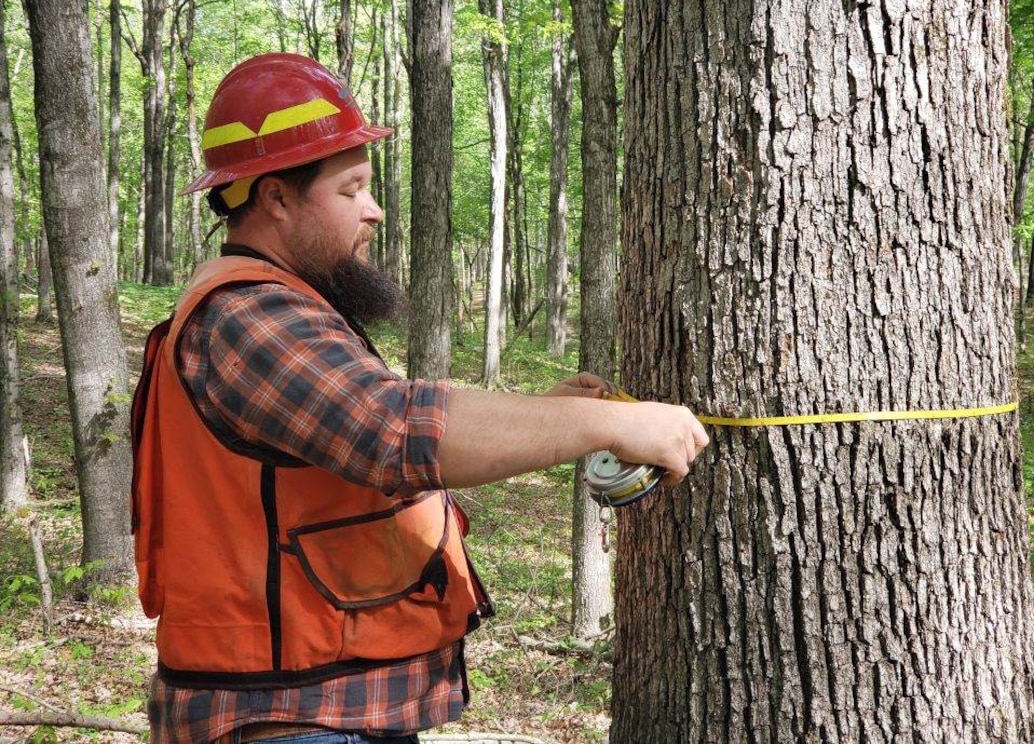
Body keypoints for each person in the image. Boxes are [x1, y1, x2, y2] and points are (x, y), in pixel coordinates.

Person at [130, 53, 709, 744]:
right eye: (350, 190)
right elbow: (389, 428)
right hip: (289, 715)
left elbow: (365, 445)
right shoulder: (247, 316)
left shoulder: (284, 304)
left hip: (322, 697)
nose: (373, 211)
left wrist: (543, 415)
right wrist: (608, 423)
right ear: (276, 197)